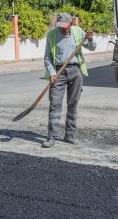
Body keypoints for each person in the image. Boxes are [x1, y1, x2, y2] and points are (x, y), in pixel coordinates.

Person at [42, 13, 96, 148]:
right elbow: (47, 57)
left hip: (75, 70)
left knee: (73, 104)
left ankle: (70, 135)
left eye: (65, 26)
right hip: (58, 72)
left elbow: (92, 47)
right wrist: (52, 72)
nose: (62, 29)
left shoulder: (78, 32)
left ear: (71, 24)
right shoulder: (52, 35)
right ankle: (52, 136)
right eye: (60, 26)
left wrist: (90, 39)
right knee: (54, 104)